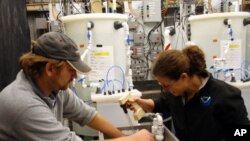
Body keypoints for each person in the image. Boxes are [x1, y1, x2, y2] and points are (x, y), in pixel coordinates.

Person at [0, 32, 154, 141]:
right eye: (71, 70)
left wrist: (123, 137)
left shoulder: (55, 89)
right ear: (50, 69)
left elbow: (87, 115)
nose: (76, 76)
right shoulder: (24, 105)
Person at [127, 45, 250, 141]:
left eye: (167, 85)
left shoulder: (225, 96)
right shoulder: (176, 93)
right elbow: (161, 104)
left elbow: (242, 132)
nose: (165, 90)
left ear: (183, 77)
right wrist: (141, 103)